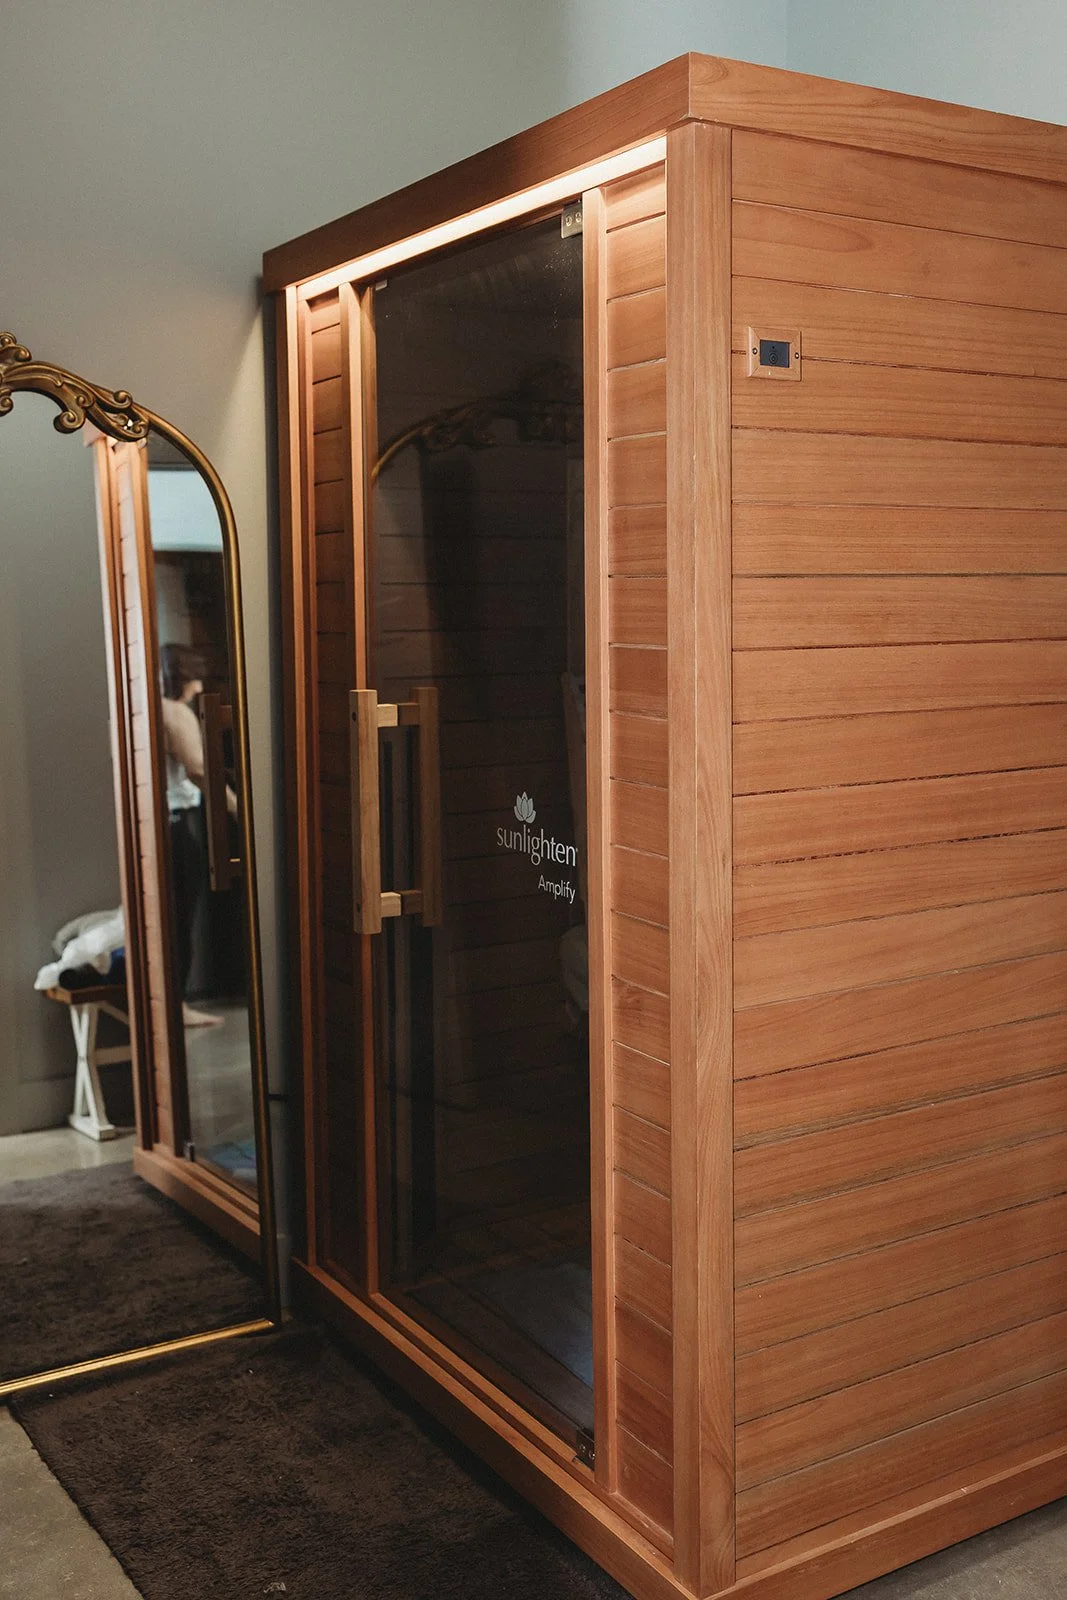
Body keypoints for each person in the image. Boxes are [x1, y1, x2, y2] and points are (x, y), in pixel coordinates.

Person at [159, 643, 235, 1028]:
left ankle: (173, 1004)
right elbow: (198, 770)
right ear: (188, 677)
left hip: (163, 825)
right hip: (177, 825)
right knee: (182, 919)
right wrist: (238, 808)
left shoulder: (149, 708)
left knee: (171, 919)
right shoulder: (175, 712)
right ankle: (179, 1007)